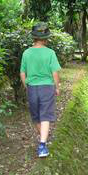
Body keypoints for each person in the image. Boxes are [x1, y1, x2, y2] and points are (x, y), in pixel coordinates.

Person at [20, 23, 61, 158]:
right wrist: (57, 87)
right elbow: (55, 73)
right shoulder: (50, 53)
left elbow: (22, 73)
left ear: (34, 38)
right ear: (45, 38)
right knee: (45, 115)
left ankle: (43, 139)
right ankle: (42, 145)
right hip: (47, 87)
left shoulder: (26, 53)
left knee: (36, 116)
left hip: (32, 87)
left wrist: (27, 85)